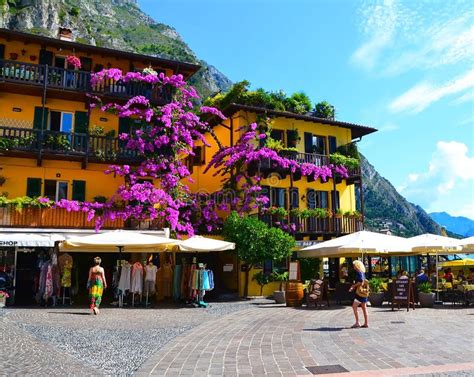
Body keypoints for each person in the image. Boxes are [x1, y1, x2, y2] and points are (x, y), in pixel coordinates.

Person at [349, 260, 369, 328]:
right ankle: (366, 323)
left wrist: (353, 286)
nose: (353, 266)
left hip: (359, 293)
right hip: (364, 293)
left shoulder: (358, 272)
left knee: (354, 306)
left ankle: (357, 322)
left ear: (356, 265)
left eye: (354, 265)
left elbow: (360, 282)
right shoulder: (362, 272)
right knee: (364, 308)